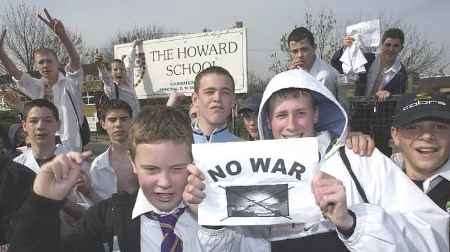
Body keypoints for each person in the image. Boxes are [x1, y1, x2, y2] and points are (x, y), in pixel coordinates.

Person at [184, 69, 449, 251]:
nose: (290, 125)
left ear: (316, 115)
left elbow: (433, 236)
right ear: (268, 121)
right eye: (281, 115)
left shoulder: (359, 161)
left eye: (300, 113)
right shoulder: (255, 172)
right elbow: (241, 246)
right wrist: (212, 214)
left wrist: (352, 222)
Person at [8, 106, 248, 252]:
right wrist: (41, 205)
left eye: (176, 168)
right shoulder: (106, 218)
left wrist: (212, 221)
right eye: (151, 169)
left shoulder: (224, 213)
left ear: (193, 161)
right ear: (133, 164)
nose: (164, 182)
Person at [0, 9, 84, 152]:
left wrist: (63, 36)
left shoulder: (70, 84)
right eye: (41, 62)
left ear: (58, 63)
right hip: (44, 150)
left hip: (70, 151)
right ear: (37, 66)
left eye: (49, 61)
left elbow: (75, 61)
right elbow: (15, 73)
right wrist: (2, 54)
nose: (45, 65)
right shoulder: (36, 86)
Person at [390, 92, 450, 211]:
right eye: (413, 127)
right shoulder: (375, 178)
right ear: (395, 135)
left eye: (439, 127)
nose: (427, 135)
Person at [331, 28, 407, 101]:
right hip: (355, 109)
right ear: (382, 45)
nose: (391, 49)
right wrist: (345, 49)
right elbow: (336, 65)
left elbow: (401, 97)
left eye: (396, 46)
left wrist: (389, 94)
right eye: (388, 45)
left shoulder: (402, 73)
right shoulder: (367, 59)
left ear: (401, 48)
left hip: (382, 112)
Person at [89, 99, 138, 201]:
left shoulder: (147, 157)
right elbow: (97, 204)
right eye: (112, 120)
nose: (118, 124)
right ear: (103, 124)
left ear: (132, 121)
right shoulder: (98, 165)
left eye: (124, 119)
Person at [191, 66, 240, 143]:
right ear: (195, 99)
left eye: (225, 93)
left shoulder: (246, 150)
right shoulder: (174, 147)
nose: (217, 98)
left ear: (233, 100)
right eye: (210, 92)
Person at [287, 27, 339, 100]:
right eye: (295, 51)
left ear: (314, 48)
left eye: (304, 49)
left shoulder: (324, 76)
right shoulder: (294, 72)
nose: (300, 55)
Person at [96, 40, 141, 118]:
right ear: (110, 72)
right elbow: (105, 77)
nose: (119, 71)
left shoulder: (128, 80)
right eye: (115, 69)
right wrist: (100, 65)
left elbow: (129, 62)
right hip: (123, 124)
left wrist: (133, 46)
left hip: (136, 121)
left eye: (122, 69)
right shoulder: (111, 88)